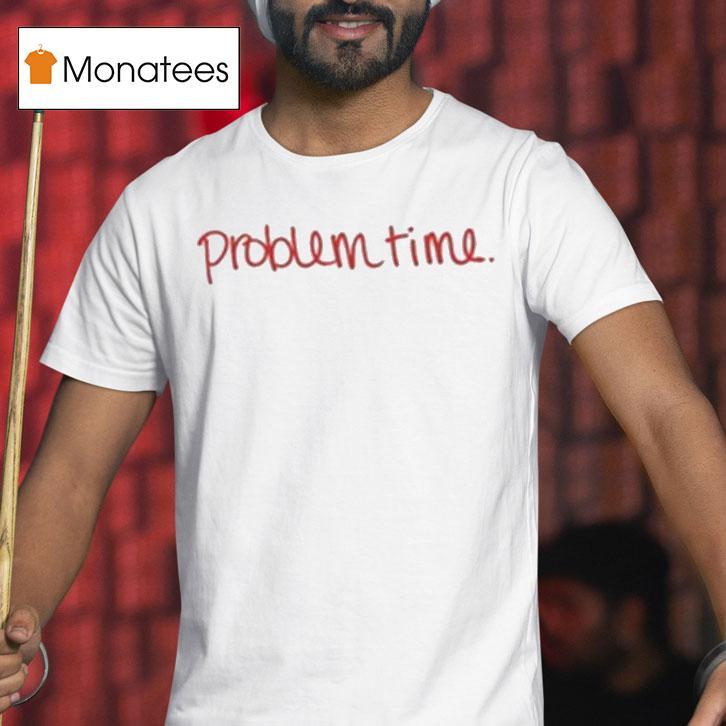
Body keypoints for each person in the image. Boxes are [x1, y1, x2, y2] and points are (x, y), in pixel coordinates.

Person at [2, 0, 725, 721]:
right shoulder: (162, 207)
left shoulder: (524, 181)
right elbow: (70, 473)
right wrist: (14, 622)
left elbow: (664, 412)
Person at [538, 520, 699, 725]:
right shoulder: (545, 701)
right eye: (543, 610)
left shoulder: (702, 699)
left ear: (629, 617)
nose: (550, 626)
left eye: (567, 606)